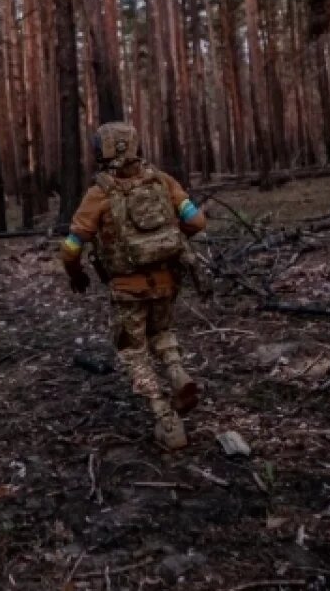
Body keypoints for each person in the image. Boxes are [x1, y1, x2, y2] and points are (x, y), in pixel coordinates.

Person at [60, 122, 207, 450]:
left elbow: (71, 247)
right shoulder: (163, 181)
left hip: (128, 288)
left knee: (132, 351)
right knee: (162, 331)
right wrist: (168, 238)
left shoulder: (99, 193)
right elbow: (197, 222)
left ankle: (166, 421)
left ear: (107, 150)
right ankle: (176, 370)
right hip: (167, 281)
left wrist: (76, 274)